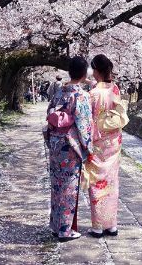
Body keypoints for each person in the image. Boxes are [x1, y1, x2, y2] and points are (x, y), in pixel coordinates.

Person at [47, 57, 92, 241]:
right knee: (68, 188)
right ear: (83, 74)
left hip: (56, 144)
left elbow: (49, 115)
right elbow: (84, 125)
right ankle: (65, 230)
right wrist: (88, 147)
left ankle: (55, 225)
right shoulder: (81, 96)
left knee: (57, 186)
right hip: (71, 146)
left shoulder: (59, 93)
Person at [87, 54, 122, 238]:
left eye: (93, 69)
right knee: (111, 181)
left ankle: (98, 226)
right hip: (113, 141)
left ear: (97, 71)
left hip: (97, 141)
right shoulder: (115, 89)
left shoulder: (93, 93)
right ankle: (112, 225)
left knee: (96, 182)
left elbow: (88, 120)